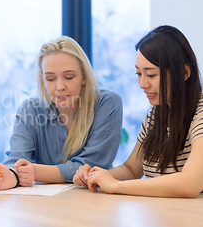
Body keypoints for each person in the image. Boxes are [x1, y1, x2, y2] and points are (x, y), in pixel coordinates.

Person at [73, 25, 203, 198]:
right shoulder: (155, 115)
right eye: (139, 74)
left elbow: (189, 184)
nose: (142, 84)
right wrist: (96, 176)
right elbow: (132, 169)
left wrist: (115, 185)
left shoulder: (199, 113)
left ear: (184, 73)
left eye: (151, 75)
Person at [0, 36, 123, 190]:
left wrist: (33, 171)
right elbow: (17, 160)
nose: (60, 86)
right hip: (46, 205)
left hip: (93, 200)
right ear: (42, 80)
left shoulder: (107, 104)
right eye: (50, 78)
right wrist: (10, 175)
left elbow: (90, 166)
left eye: (69, 77)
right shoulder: (30, 109)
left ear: (84, 76)